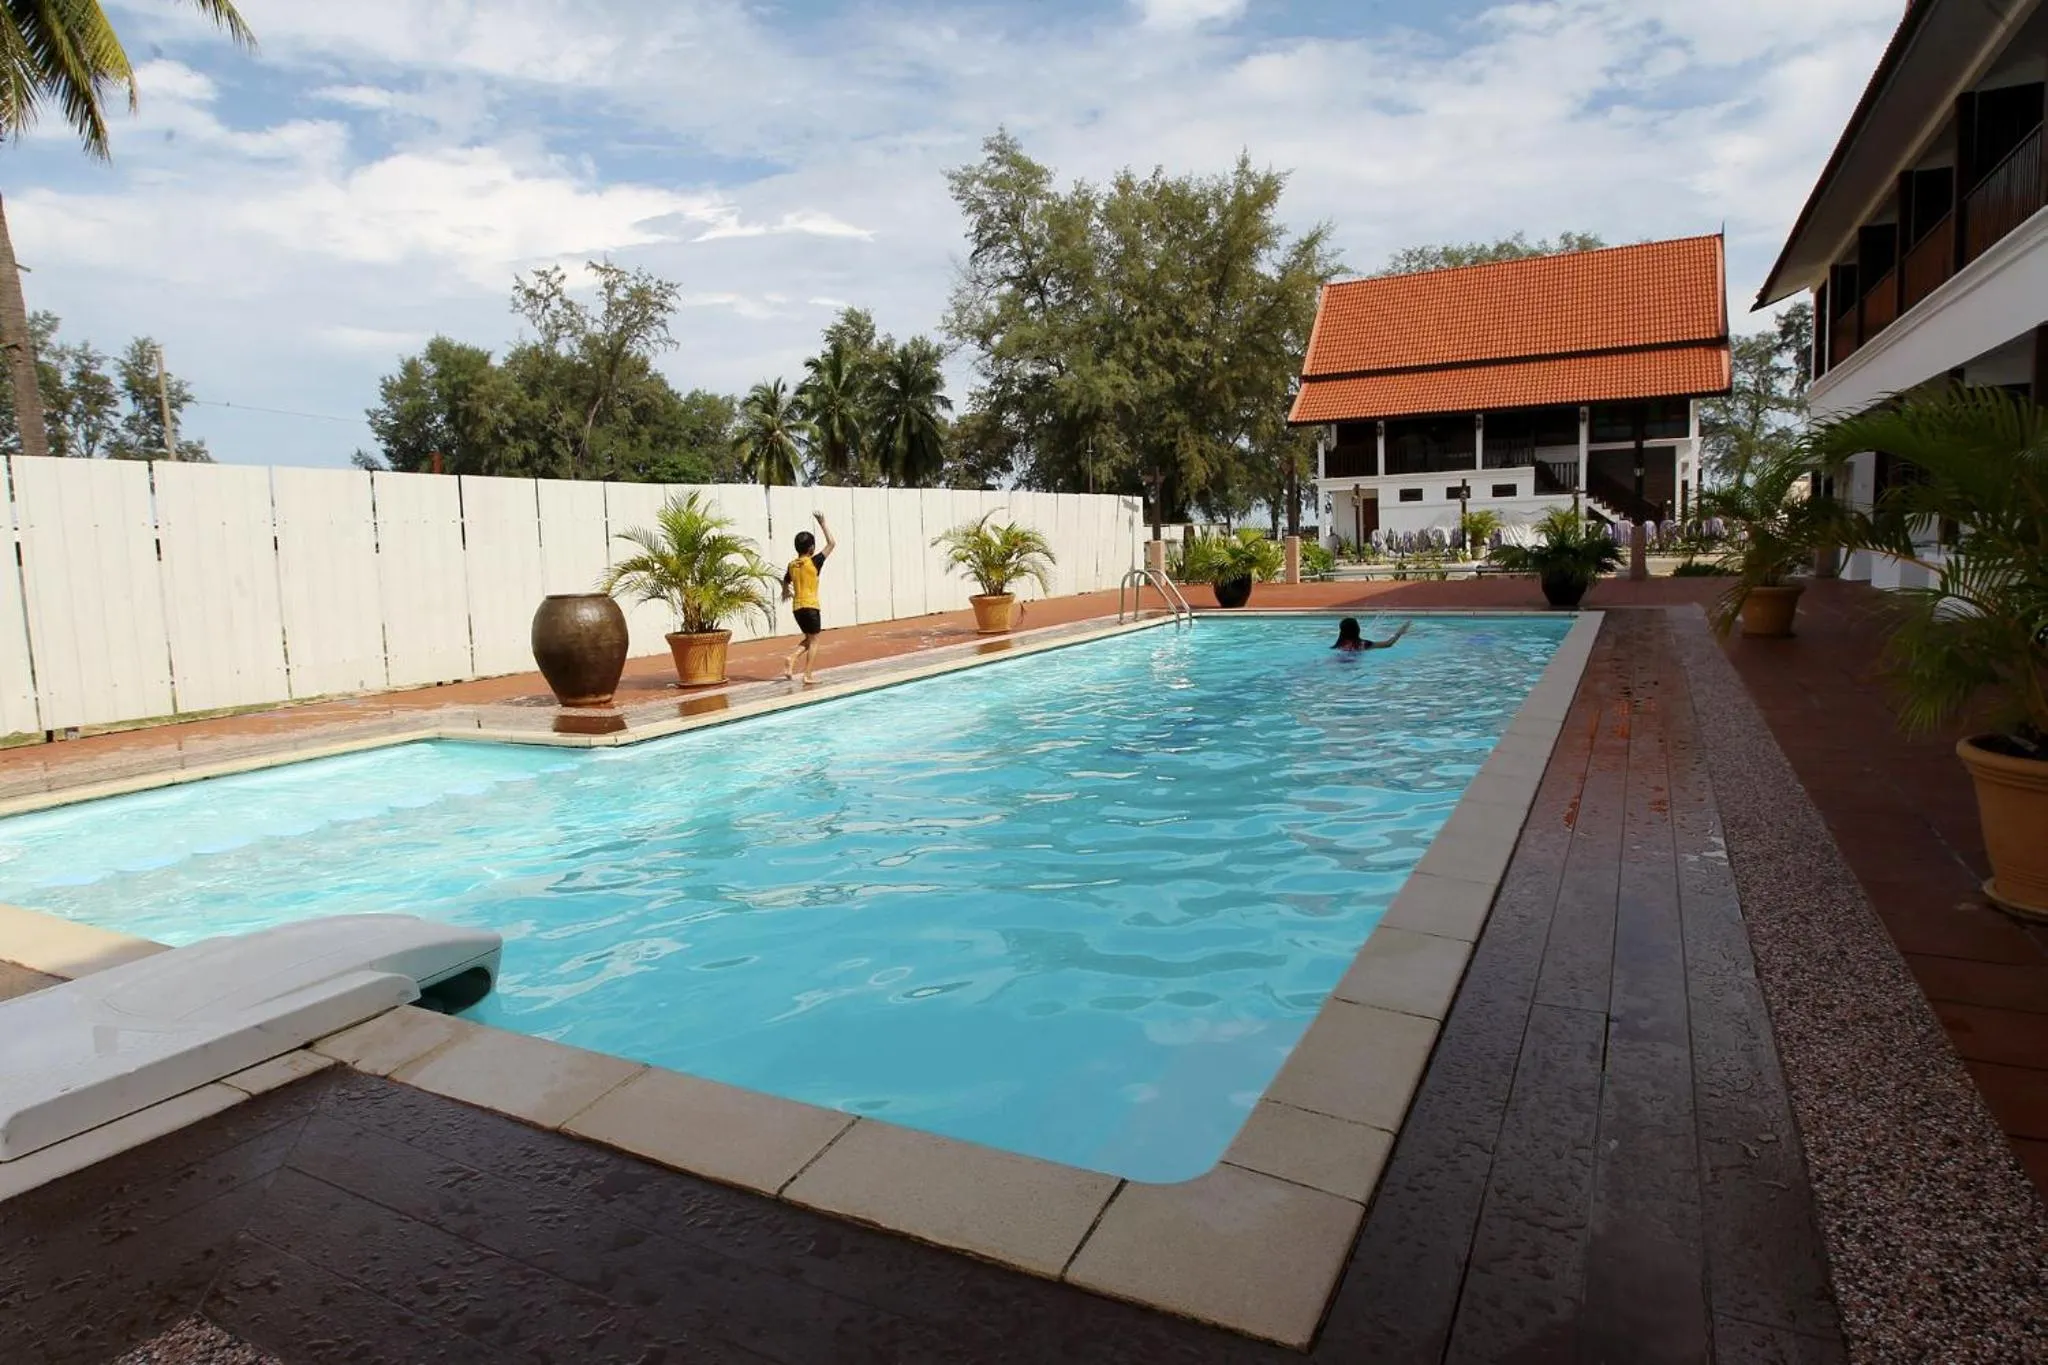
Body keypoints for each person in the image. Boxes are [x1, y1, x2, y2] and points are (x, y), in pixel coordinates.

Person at [779, 512, 837, 684]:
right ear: (811, 548)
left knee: (810, 638)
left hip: (797, 608)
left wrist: (785, 592)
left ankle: (791, 659)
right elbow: (832, 543)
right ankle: (807, 674)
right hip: (811, 606)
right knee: (815, 641)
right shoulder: (814, 562)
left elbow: (785, 579)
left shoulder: (792, 565)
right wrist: (823, 523)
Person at [1332, 616, 1411, 652]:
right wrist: (1400, 632)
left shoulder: (1338, 646)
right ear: (1357, 629)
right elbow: (1388, 643)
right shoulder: (1363, 644)